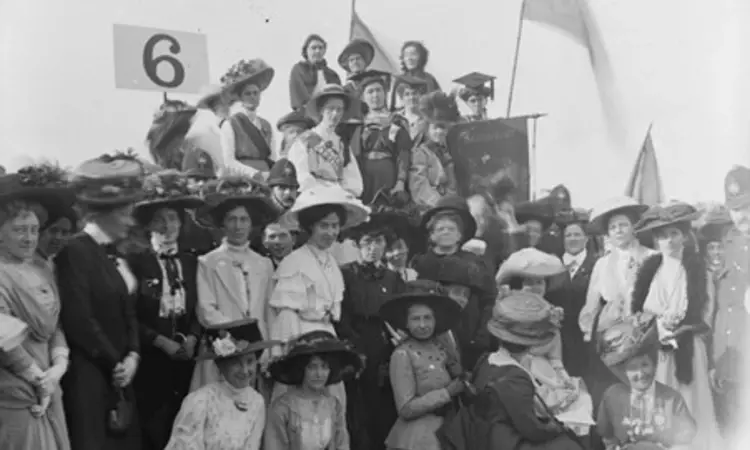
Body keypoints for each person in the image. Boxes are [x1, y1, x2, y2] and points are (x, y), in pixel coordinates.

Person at [56, 153, 144, 449]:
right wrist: (115, 362)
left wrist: (133, 355)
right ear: (101, 213)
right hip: (90, 377)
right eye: (124, 213)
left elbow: (128, 311)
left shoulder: (113, 254)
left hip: (120, 376)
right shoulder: (75, 251)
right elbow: (79, 319)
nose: (130, 221)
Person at [630, 201, 722, 449]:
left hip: (689, 352)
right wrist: (656, 329)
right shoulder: (649, 270)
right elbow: (637, 313)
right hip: (656, 352)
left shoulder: (698, 269)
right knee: (660, 409)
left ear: (683, 236)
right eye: (662, 236)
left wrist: (682, 330)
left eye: (674, 234)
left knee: (689, 405)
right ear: (656, 241)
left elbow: (706, 315)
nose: (669, 241)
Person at [269, 184, 369, 407]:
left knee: (330, 403)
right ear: (310, 227)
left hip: (327, 338)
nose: (331, 232)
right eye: (324, 226)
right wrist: (285, 353)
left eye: (335, 226)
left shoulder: (332, 262)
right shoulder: (295, 261)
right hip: (301, 339)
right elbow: (286, 312)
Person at [127, 170, 205, 450]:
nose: (167, 225)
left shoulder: (192, 262)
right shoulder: (136, 262)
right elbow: (129, 315)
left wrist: (193, 338)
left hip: (186, 359)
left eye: (172, 218)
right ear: (148, 225)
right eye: (159, 219)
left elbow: (199, 307)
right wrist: (160, 342)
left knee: (185, 423)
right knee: (153, 427)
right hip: (151, 361)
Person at [0, 169, 73, 449]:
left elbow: (55, 326)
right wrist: (36, 377)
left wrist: (58, 369)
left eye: (33, 230)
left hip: (49, 386)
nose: (29, 238)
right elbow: (5, 341)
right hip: (15, 390)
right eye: (19, 230)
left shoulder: (42, 268)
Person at [190, 175, 278, 390]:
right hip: (223, 346)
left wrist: (265, 348)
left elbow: (268, 310)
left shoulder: (263, 263)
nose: (238, 226)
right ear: (223, 223)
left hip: (256, 350)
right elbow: (206, 309)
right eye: (232, 219)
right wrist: (235, 339)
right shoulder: (208, 262)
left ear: (251, 224)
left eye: (243, 219)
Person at [494, 248, 595, 435]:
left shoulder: (551, 312)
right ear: (517, 286)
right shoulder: (507, 311)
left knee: (578, 399)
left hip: (546, 372)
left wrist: (563, 377)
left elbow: (555, 357)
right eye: (529, 283)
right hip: (516, 372)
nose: (536, 287)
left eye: (539, 282)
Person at [468, 291, 583, 449]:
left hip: (482, 431)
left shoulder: (486, 360)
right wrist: (558, 428)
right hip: (506, 441)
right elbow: (531, 429)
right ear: (530, 343)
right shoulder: (514, 377)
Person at [337, 214, 407, 449]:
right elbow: (341, 312)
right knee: (357, 403)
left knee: (383, 400)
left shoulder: (393, 278)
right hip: (354, 338)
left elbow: (399, 313)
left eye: (378, 242)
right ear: (357, 246)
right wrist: (352, 343)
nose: (373, 248)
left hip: (384, 343)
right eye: (367, 243)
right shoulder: (346, 274)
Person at [165, 319, 279, 450]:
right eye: (236, 363)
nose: (245, 370)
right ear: (221, 365)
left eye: (250, 361)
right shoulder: (200, 401)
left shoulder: (257, 402)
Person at [379, 280, 466, 450]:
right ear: (406, 323)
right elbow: (405, 409)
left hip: (448, 432)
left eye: (427, 318)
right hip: (418, 439)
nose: (422, 325)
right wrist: (447, 393)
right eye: (415, 319)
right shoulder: (402, 354)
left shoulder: (442, 349)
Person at [412, 195, 496, 369]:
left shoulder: (475, 263)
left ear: (460, 234)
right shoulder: (420, 263)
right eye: (440, 229)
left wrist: (482, 335)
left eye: (451, 228)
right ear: (432, 234)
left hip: (468, 334)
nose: (446, 232)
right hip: (429, 334)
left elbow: (489, 301)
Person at [597, 315, 696, 449]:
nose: (641, 373)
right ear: (622, 373)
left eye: (645, 365)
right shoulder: (612, 396)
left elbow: (686, 437)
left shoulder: (671, 398)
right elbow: (607, 435)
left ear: (654, 364)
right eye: (632, 368)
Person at [265, 331, 362, 450]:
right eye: (312, 367)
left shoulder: (334, 405)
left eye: (324, 367)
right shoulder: (282, 408)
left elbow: (342, 444)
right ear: (301, 369)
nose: (319, 374)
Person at [287, 84, 363, 196]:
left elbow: (352, 178)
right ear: (321, 110)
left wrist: (345, 192)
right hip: (313, 194)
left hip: (338, 193)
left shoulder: (342, 144)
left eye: (339, 109)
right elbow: (300, 173)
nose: (335, 114)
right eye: (331, 109)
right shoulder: (305, 140)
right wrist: (317, 190)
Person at [347, 69, 411, 204]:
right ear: (363, 97)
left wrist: (400, 182)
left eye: (378, 90)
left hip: (388, 173)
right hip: (363, 174)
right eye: (370, 92)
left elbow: (403, 153)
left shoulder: (397, 121)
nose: (375, 95)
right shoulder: (357, 124)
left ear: (385, 93)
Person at [219, 58, 276, 178]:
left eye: (256, 93)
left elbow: (272, 158)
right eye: (247, 93)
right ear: (240, 97)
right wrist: (254, 174)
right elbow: (228, 161)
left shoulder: (266, 125)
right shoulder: (231, 124)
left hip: (266, 177)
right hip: (242, 178)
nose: (252, 97)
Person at [408, 91, 460, 209]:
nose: (440, 132)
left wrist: (450, 201)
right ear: (427, 129)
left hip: (447, 204)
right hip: (426, 206)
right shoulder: (420, 153)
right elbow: (419, 186)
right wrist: (440, 203)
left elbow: (452, 185)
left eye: (443, 128)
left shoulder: (446, 154)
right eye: (436, 128)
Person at [289, 34, 342, 111]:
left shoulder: (332, 74)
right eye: (313, 48)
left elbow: (339, 97)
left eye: (320, 48)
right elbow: (298, 98)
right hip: (305, 113)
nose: (317, 51)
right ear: (306, 51)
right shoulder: (299, 69)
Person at [389, 41, 441, 109]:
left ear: (421, 57)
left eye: (413, 54)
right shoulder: (399, 81)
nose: (409, 58)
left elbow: (440, 106)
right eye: (406, 55)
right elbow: (393, 107)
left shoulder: (430, 79)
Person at [392, 75, 429, 140]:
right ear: (401, 98)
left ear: (420, 95)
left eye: (414, 93)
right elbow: (391, 141)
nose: (411, 97)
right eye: (407, 94)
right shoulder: (395, 119)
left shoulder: (427, 119)